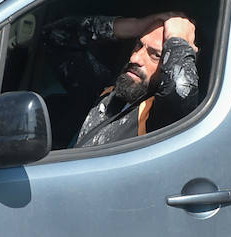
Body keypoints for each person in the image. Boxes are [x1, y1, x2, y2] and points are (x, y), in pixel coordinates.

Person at [42, 11, 200, 148]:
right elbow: (54, 35)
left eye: (156, 55)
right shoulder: (106, 92)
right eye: (139, 45)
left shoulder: (160, 123)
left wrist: (179, 41)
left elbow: (181, 92)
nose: (135, 57)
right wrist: (136, 26)